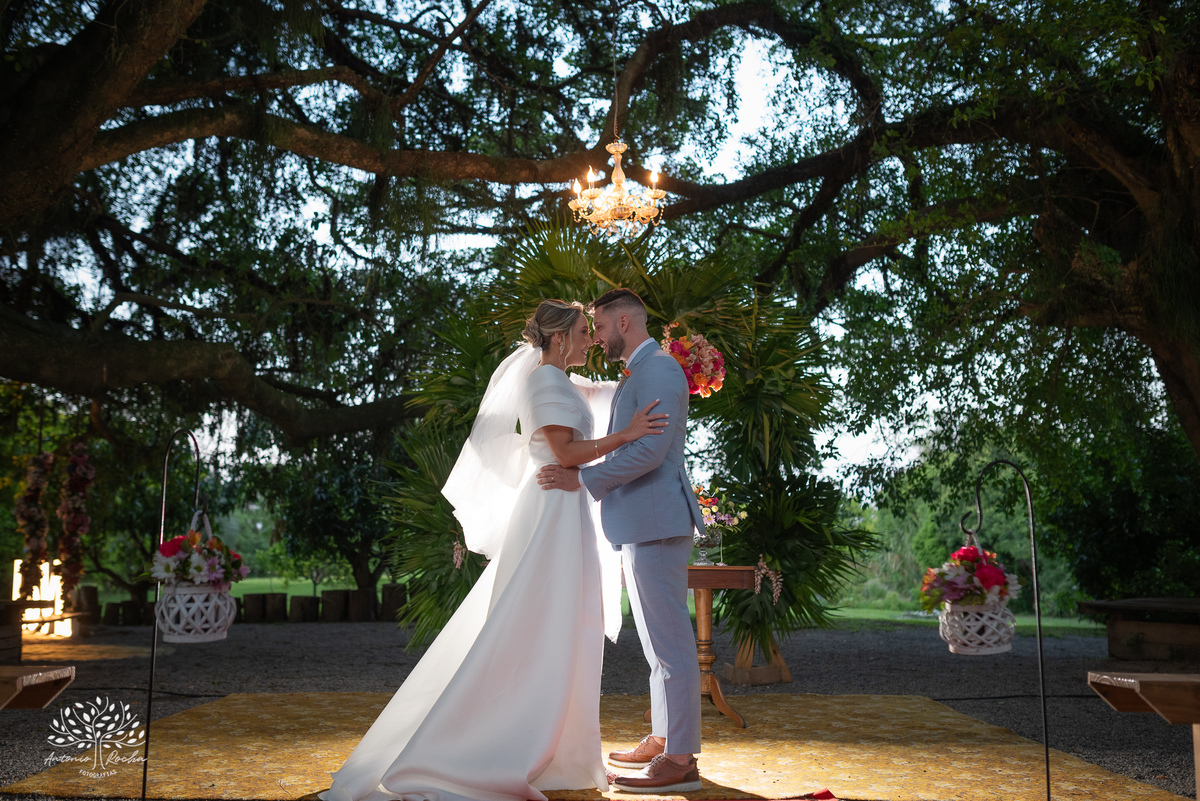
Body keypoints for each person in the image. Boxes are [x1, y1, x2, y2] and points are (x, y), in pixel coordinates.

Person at [319, 299, 668, 801]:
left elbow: (615, 390)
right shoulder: (543, 382)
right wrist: (629, 435)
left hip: (566, 512)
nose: (591, 339)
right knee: (537, 625)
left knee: (570, 628)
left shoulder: (564, 383)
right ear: (557, 338)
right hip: (550, 514)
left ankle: (565, 754)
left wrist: (671, 364)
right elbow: (566, 454)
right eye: (582, 331)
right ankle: (495, 745)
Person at [537, 288, 706, 793]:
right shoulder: (643, 369)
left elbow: (650, 454)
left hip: (655, 521)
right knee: (658, 643)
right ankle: (664, 735)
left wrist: (584, 481)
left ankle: (680, 759)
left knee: (671, 644)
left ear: (625, 322)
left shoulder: (657, 369)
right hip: (643, 521)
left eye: (602, 327)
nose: (599, 336)